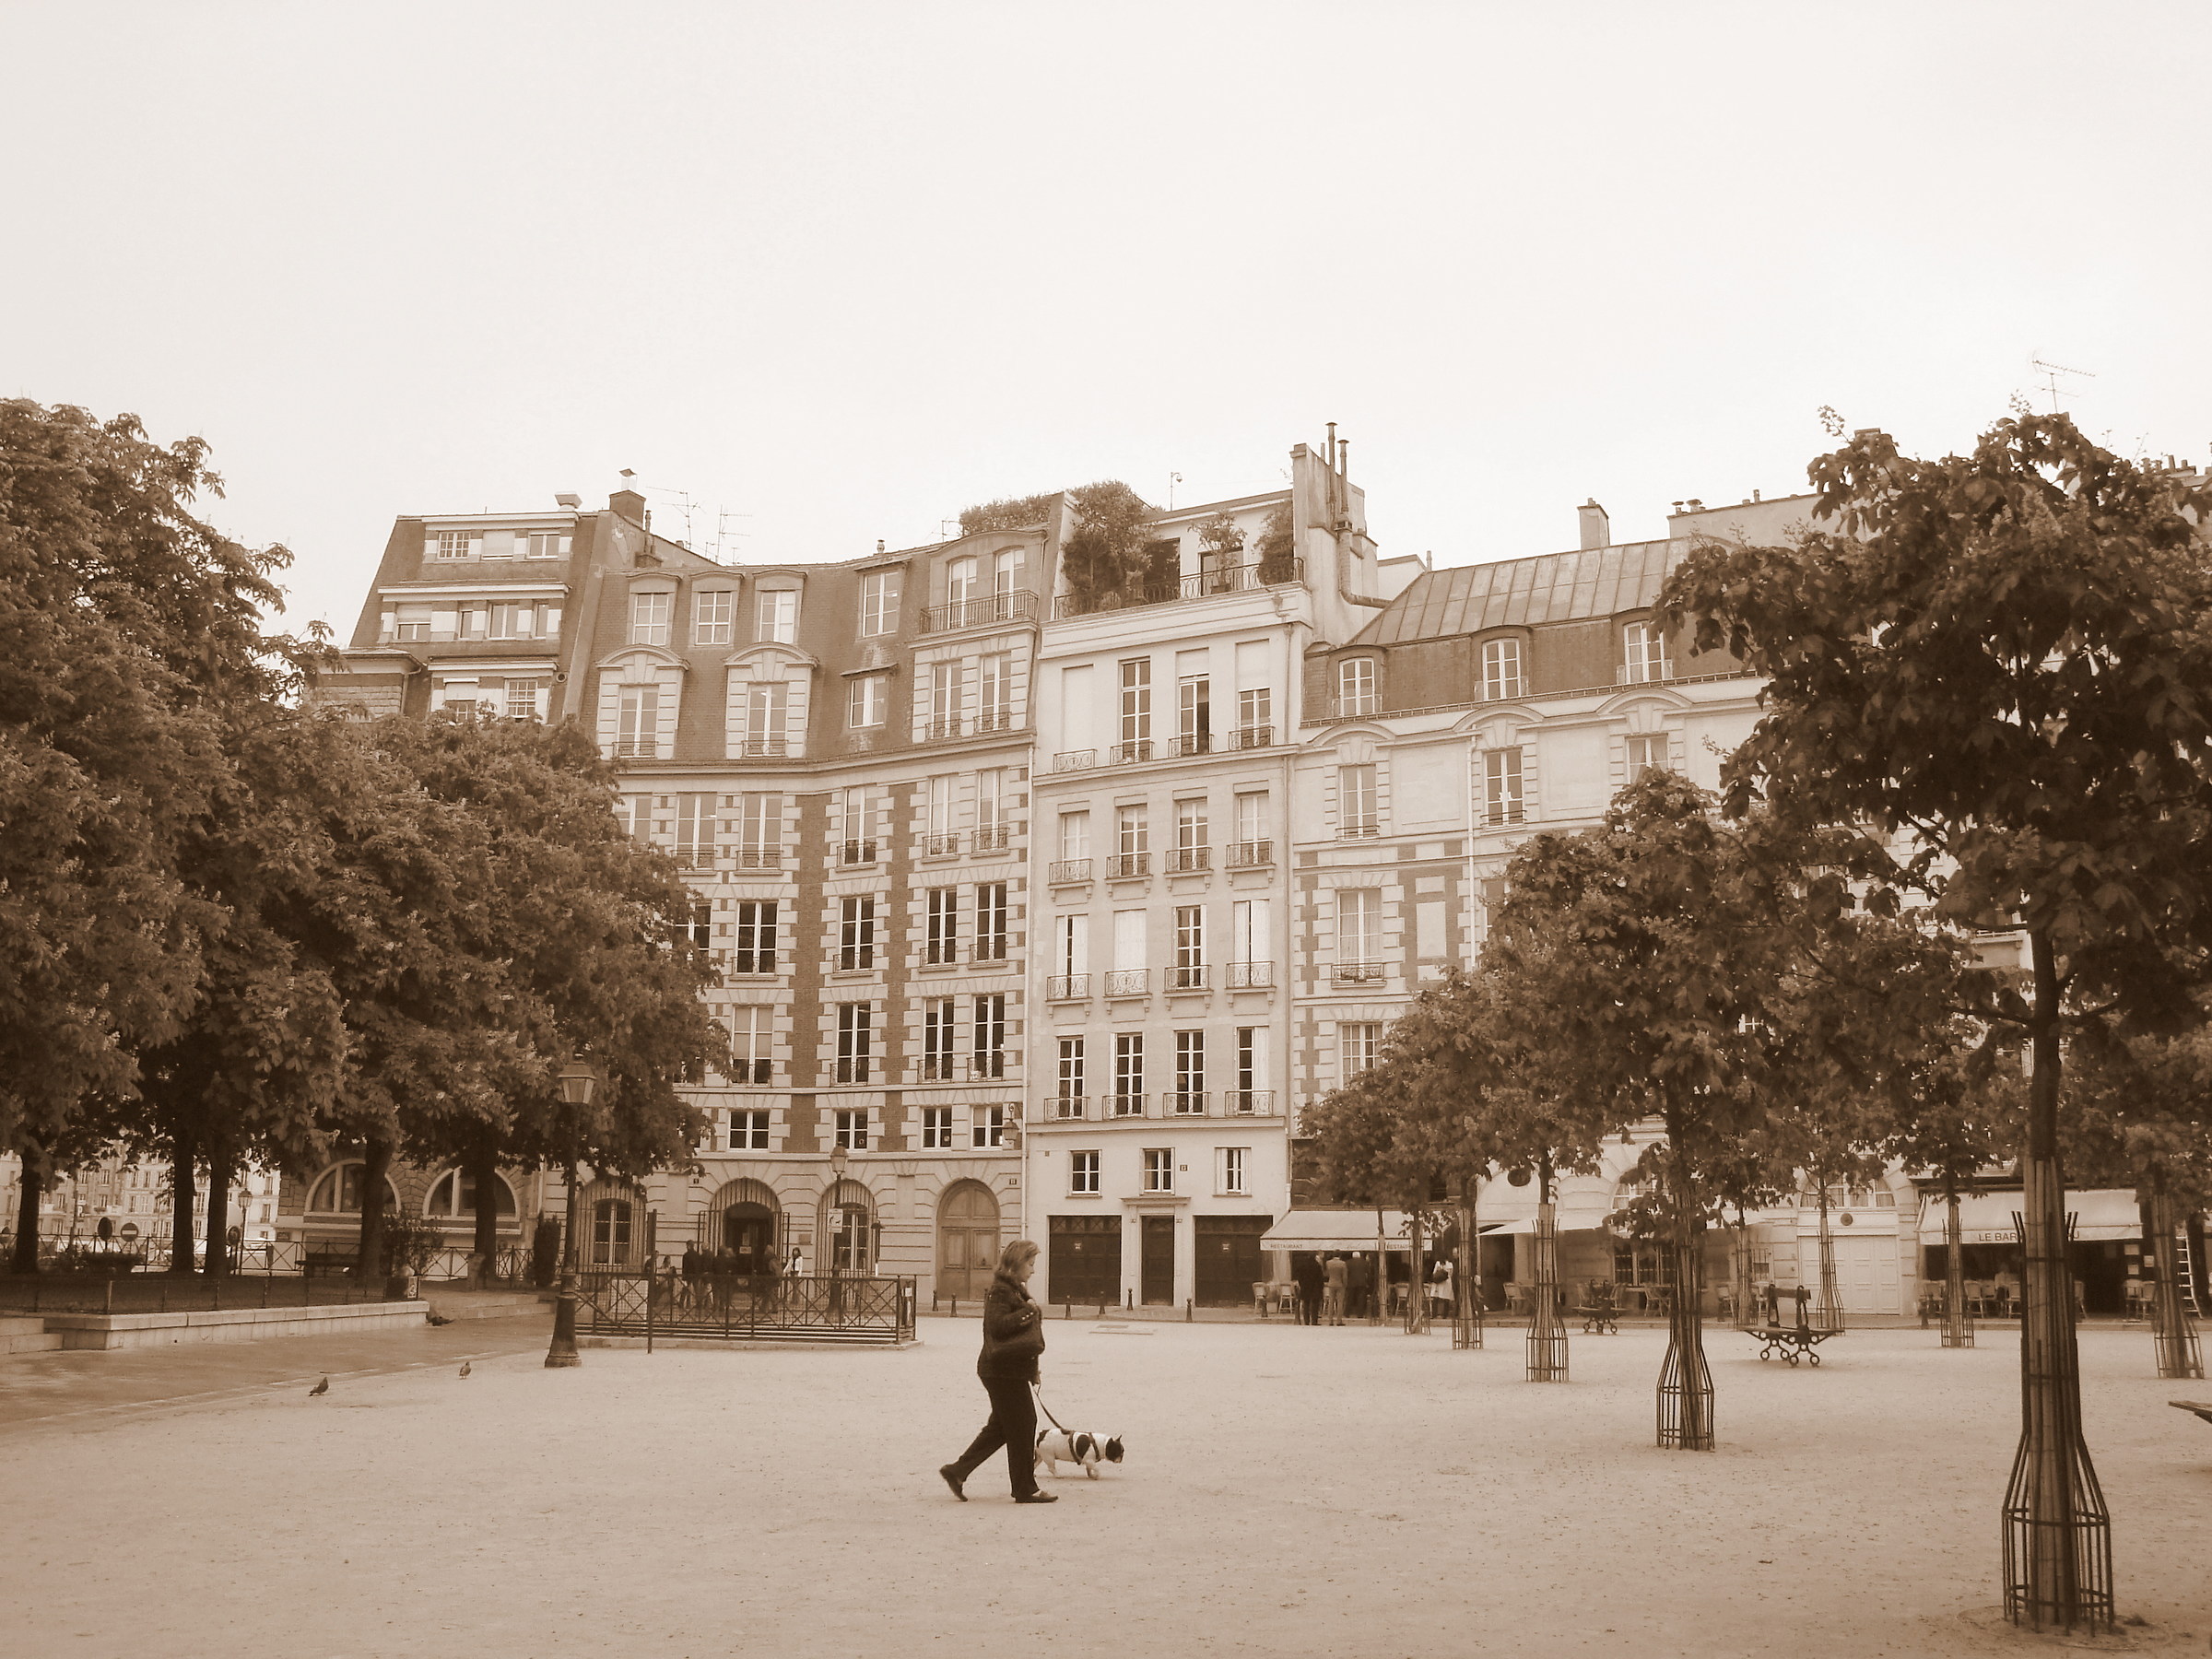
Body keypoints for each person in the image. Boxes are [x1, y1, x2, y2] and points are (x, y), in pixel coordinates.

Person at [940, 1239, 1056, 1504]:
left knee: (1002, 1427)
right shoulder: (1001, 1292)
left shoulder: (1015, 1290)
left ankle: (957, 1471)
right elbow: (998, 1327)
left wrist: (1032, 1370)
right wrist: (1027, 1312)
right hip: (1001, 1371)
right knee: (1024, 1425)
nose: (1033, 1270)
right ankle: (1025, 1488)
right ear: (1017, 1263)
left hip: (1009, 1370)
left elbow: (1023, 1338)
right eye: (1031, 1263)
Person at [1292, 1252, 1324, 1325]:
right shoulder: (1317, 1266)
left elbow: (1299, 1277)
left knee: (1306, 1304)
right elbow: (1320, 1278)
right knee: (1315, 1305)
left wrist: (1302, 1284)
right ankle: (1314, 1321)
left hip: (1305, 1287)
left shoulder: (1303, 1265)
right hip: (1315, 1288)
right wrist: (1320, 1287)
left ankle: (1306, 1321)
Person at [1323, 1253, 1348, 1325]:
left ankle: (1330, 1320)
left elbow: (1326, 1274)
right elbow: (1345, 1276)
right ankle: (1339, 1321)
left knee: (1331, 1302)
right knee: (1340, 1303)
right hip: (1340, 1284)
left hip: (1331, 1283)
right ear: (1340, 1255)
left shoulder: (1328, 1263)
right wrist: (1345, 1284)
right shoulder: (1343, 1263)